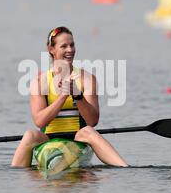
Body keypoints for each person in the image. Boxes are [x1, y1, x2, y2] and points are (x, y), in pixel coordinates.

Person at [11, 26, 128, 168]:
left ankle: (125, 168)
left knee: (88, 131)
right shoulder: (39, 82)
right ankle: (15, 174)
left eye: (72, 45)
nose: (70, 50)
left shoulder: (87, 79)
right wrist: (62, 97)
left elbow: (92, 120)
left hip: (79, 137)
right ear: (51, 49)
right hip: (48, 137)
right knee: (30, 135)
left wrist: (77, 96)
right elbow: (39, 121)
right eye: (64, 46)